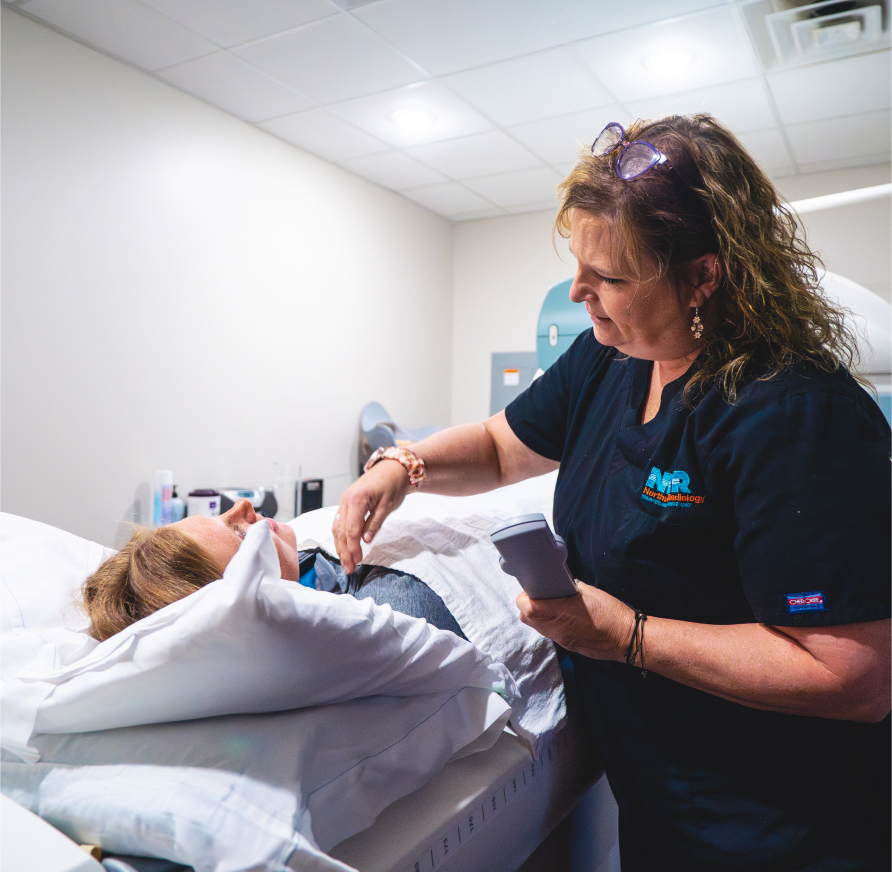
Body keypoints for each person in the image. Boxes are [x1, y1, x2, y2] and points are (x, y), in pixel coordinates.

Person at [333, 114, 891, 870]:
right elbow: (501, 448)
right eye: (579, 265)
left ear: (703, 275)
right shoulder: (612, 358)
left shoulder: (793, 413)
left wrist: (625, 633)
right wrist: (403, 463)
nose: (579, 292)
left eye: (612, 278)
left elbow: (852, 675)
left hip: (780, 822)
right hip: (659, 797)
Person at [82, 497, 464, 643]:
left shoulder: (309, 563)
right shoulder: (395, 609)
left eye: (222, 515)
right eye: (237, 532)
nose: (244, 506)